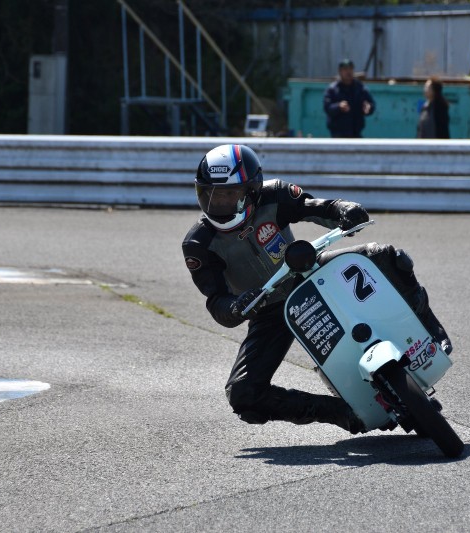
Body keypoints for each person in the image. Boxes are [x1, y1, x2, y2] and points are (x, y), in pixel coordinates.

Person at [182, 144, 453, 434]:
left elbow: (317, 206)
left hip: (308, 272)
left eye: (228, 194)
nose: (218, 203)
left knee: (385, 256)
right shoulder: (198, 243)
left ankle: (431, 333)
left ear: (252, 191)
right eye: (210, 194)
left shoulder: (274, 194)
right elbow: (216, 301)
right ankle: (345, 412)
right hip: (267, 309)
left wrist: (344, 209)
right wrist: (237, 307)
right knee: (243, 393)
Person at [323, 59, 375, 138]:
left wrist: (368, 107)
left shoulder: (360, 88)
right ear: (340, 71)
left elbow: (370, 104)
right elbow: (327, 108)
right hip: (338, 135)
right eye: (345, 69)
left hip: (356, 133)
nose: (348, 72)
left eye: (350, 69)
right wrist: (339, 106)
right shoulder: (333, 89)